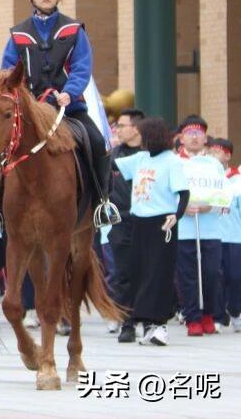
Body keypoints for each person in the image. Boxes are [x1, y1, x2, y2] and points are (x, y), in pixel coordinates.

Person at [1, 0, 114, 220]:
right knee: (1, 147)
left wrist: (69, 93)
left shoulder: (74, 30)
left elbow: (82, 67)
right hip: (32, 110)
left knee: (97, 142)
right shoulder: (18, 35)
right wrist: (25, 98)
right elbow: (9, 73)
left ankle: (102, 203)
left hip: (68, 108)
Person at [114, 117, 190, 346]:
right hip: (139, 221)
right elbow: (113, 164)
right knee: (139, 273)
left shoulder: (172, 161)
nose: (142, 140)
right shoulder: (140, 158)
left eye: (145, 136)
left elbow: (184, 193)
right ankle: (146, 323)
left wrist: (176, 216)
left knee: (159, 274)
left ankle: (161, 326)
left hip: (161, 223)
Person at [174, 115, 227, 336]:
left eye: (198, 133)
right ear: (182, 137)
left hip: (211, 229)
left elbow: (224, 195)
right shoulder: (175, 162)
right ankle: (192, 317)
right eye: (189, 133)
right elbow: (168, 195)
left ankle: (209, 314)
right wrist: (182, 208)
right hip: (185, 230)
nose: (194, 138)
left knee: (211, 273)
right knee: (187, 275)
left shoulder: (214, 164)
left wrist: (210, 206)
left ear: (205, 137)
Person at [108, 108, 144, 342]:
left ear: (136, 128)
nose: (117, 130)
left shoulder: (151, 156)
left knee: (146, 273)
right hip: (119, 220)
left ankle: (148, 319)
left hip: (146, 221)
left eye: (122, 125)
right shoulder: (111, 156)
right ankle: (126, 322)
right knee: (121, 274)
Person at [209, 138, 241, 331]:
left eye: (216, 152)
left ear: (227, 155)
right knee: (215, 277)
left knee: (235, 276)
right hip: (212, 235)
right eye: (210, 152)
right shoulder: (205, 180)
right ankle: (219, 317)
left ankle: (235, 310)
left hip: (234, 237)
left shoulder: (237, 180)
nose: (212, 157)